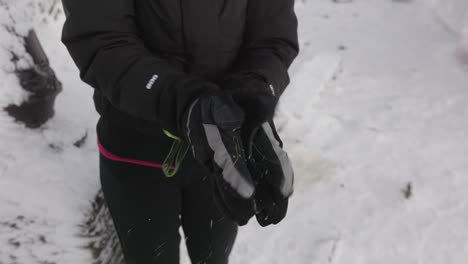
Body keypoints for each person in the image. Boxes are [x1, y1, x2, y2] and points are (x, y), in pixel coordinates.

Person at [61, 0, 298, 263]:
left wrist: (254, 92)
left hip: (224, 150)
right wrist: (187, 105)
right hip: (137, 152)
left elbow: (272, 36)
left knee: (214, 257)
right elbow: (102, 39)